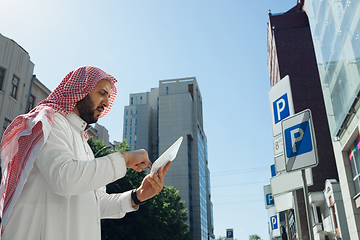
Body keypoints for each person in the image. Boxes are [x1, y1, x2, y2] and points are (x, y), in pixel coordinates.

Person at [0, 66, 170, 240]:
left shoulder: (85, 146)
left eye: (108, 97)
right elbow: (64, 179)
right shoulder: (50, 121)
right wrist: (124, 158)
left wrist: (138, 195)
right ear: (81, 89)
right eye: (102, 93)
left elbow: (96, 203)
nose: (105, 102)